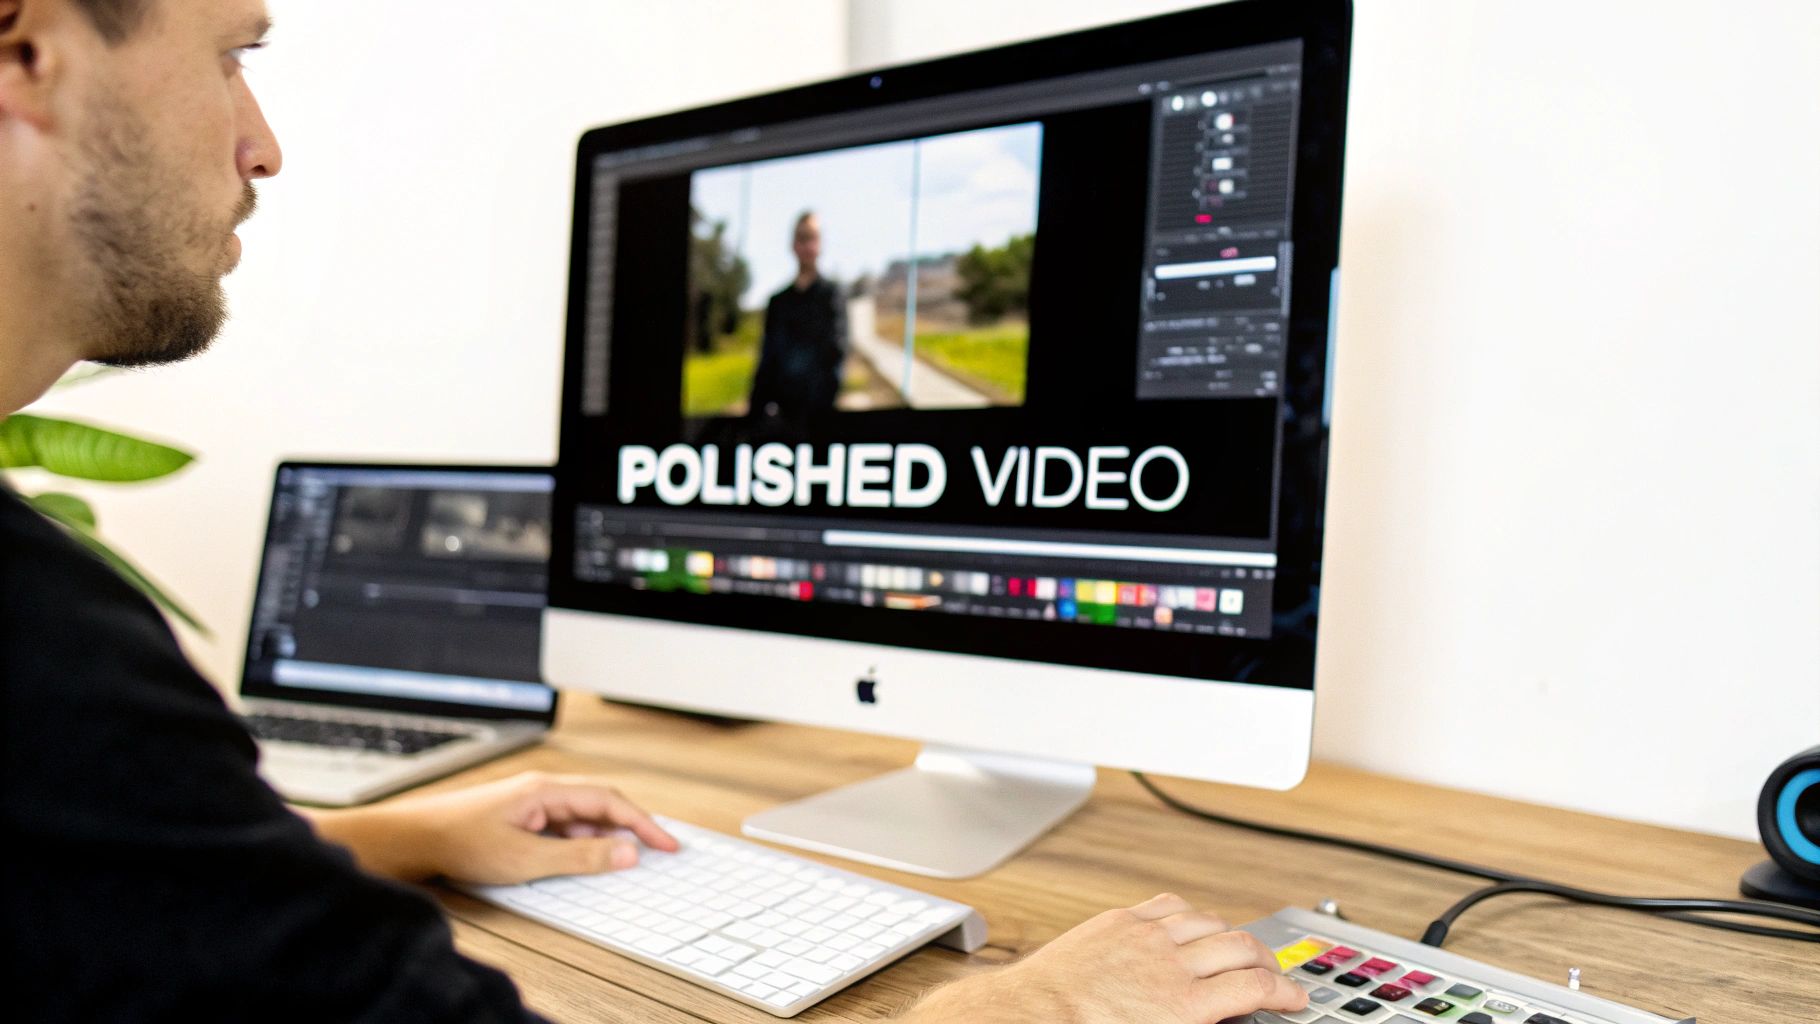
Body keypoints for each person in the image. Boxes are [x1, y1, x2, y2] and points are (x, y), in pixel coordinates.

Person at [0, 2, 1311, 1021]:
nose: (263, 142)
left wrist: (388, 834)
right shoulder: (42, 649)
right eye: (231, 55)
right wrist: (1031, 1007)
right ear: (27, 50)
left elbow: (107, 886)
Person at [747, 210, 849, 425]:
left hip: (818, 416)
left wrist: (822, 407)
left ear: (820, 244)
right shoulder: (778, 302)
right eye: (802, 238)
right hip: (780, 417)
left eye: (812, 238)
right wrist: (756, 412)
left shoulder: (832, 296)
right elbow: (767, 359)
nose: (807, 245)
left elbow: (836, 353)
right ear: (793, 245)